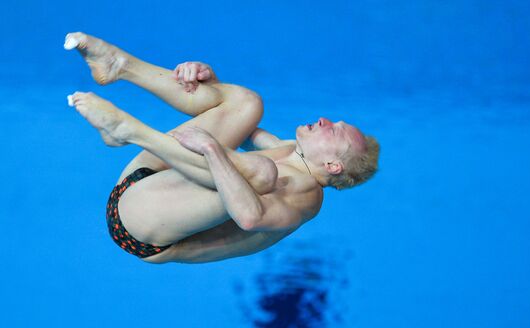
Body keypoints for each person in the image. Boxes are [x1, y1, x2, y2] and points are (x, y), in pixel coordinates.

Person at [65, 32, 380, 264]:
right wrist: (212, 88)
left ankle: (128, 131)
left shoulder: (307, 196)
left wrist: (212, 149)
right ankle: (120, 65)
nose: (325, 120)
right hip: (139, 182)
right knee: (248, 103)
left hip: (140, 229)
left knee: (260, 172)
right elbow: (238, 124)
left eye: (335, 132)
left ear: (331, 166)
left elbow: (249, 218)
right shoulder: (289, 150)